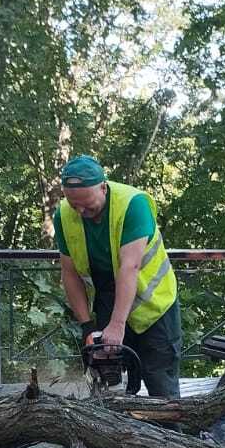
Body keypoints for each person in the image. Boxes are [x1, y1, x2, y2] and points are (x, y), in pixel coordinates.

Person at [53, 154, 182, 400]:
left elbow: (129, 267)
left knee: (160, 383)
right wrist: (86, 326)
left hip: (153, 303)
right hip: (107, 296)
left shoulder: (133, 204)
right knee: (108, 381)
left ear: (103, 187)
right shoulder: (64, 215)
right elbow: (69, 273)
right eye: (73, 204)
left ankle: (171, 436)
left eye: (87, 204)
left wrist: (117, 324)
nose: (80, 211)